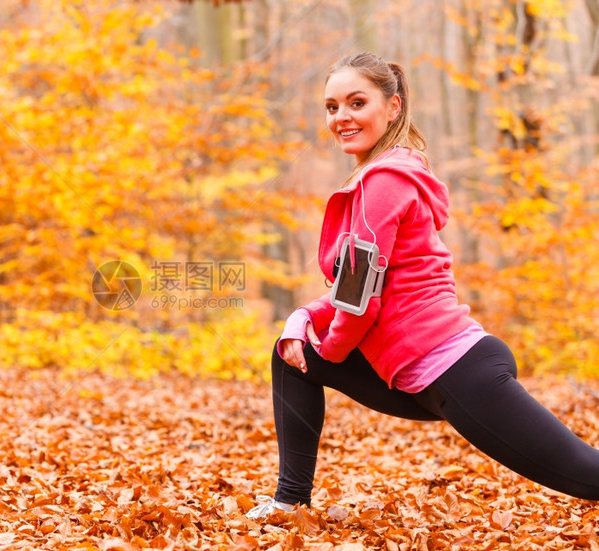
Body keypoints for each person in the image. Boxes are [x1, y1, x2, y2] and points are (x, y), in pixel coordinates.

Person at [247, 51, 599, 519]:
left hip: (455, 368)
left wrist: (328, 351)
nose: (341, 117)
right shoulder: (380, 176)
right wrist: (304, 318)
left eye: (356, 102)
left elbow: (358, 303)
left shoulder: (382, 184)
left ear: (392, 107)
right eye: (332, 107)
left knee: (587, 476)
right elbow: (357, 283)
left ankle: (290, 500)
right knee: (291, 357)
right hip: (416, 370)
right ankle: (290, 501)